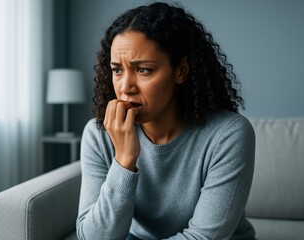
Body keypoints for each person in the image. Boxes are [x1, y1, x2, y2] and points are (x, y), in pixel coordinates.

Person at [76, 2, 256, 240]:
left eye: (143, 70)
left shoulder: (229, 134)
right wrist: (124, 161)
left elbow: (202, 238)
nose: (125, 87)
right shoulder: (98, 134)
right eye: (117, 70)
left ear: (180, 71)